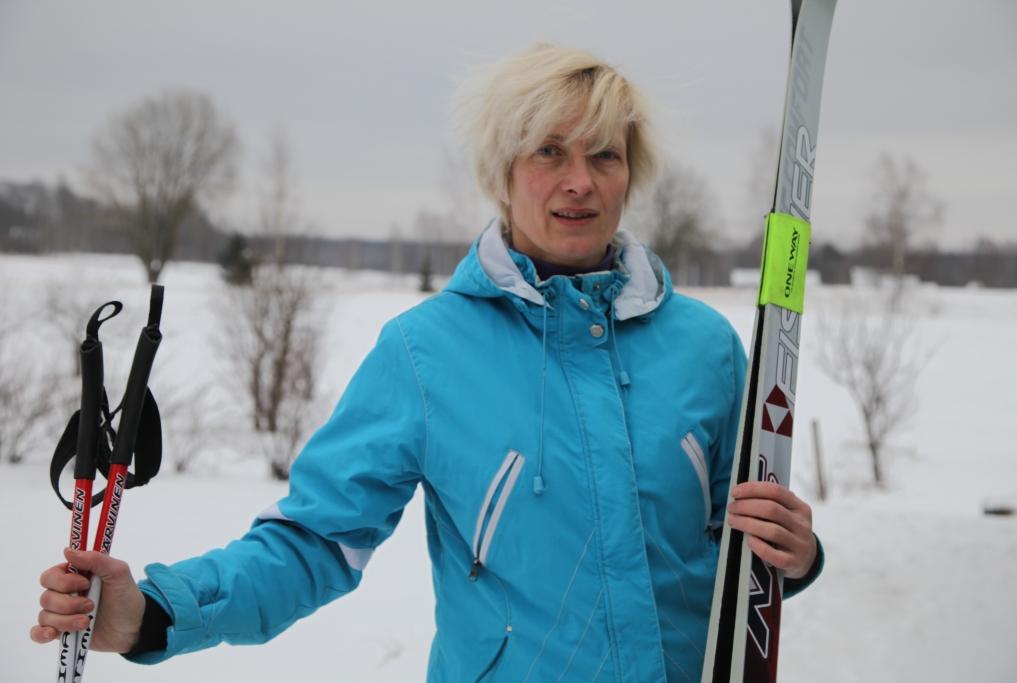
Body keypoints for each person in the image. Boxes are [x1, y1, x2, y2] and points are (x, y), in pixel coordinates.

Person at [32, 44, 822, 682]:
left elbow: (735, 555)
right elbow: (316, 540)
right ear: (502, 173)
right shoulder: (426, 353)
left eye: (604, 156)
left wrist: (794, 554)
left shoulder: (704, 347)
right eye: (550, 151)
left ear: (630, 173)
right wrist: (155, 612)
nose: (580, 181)